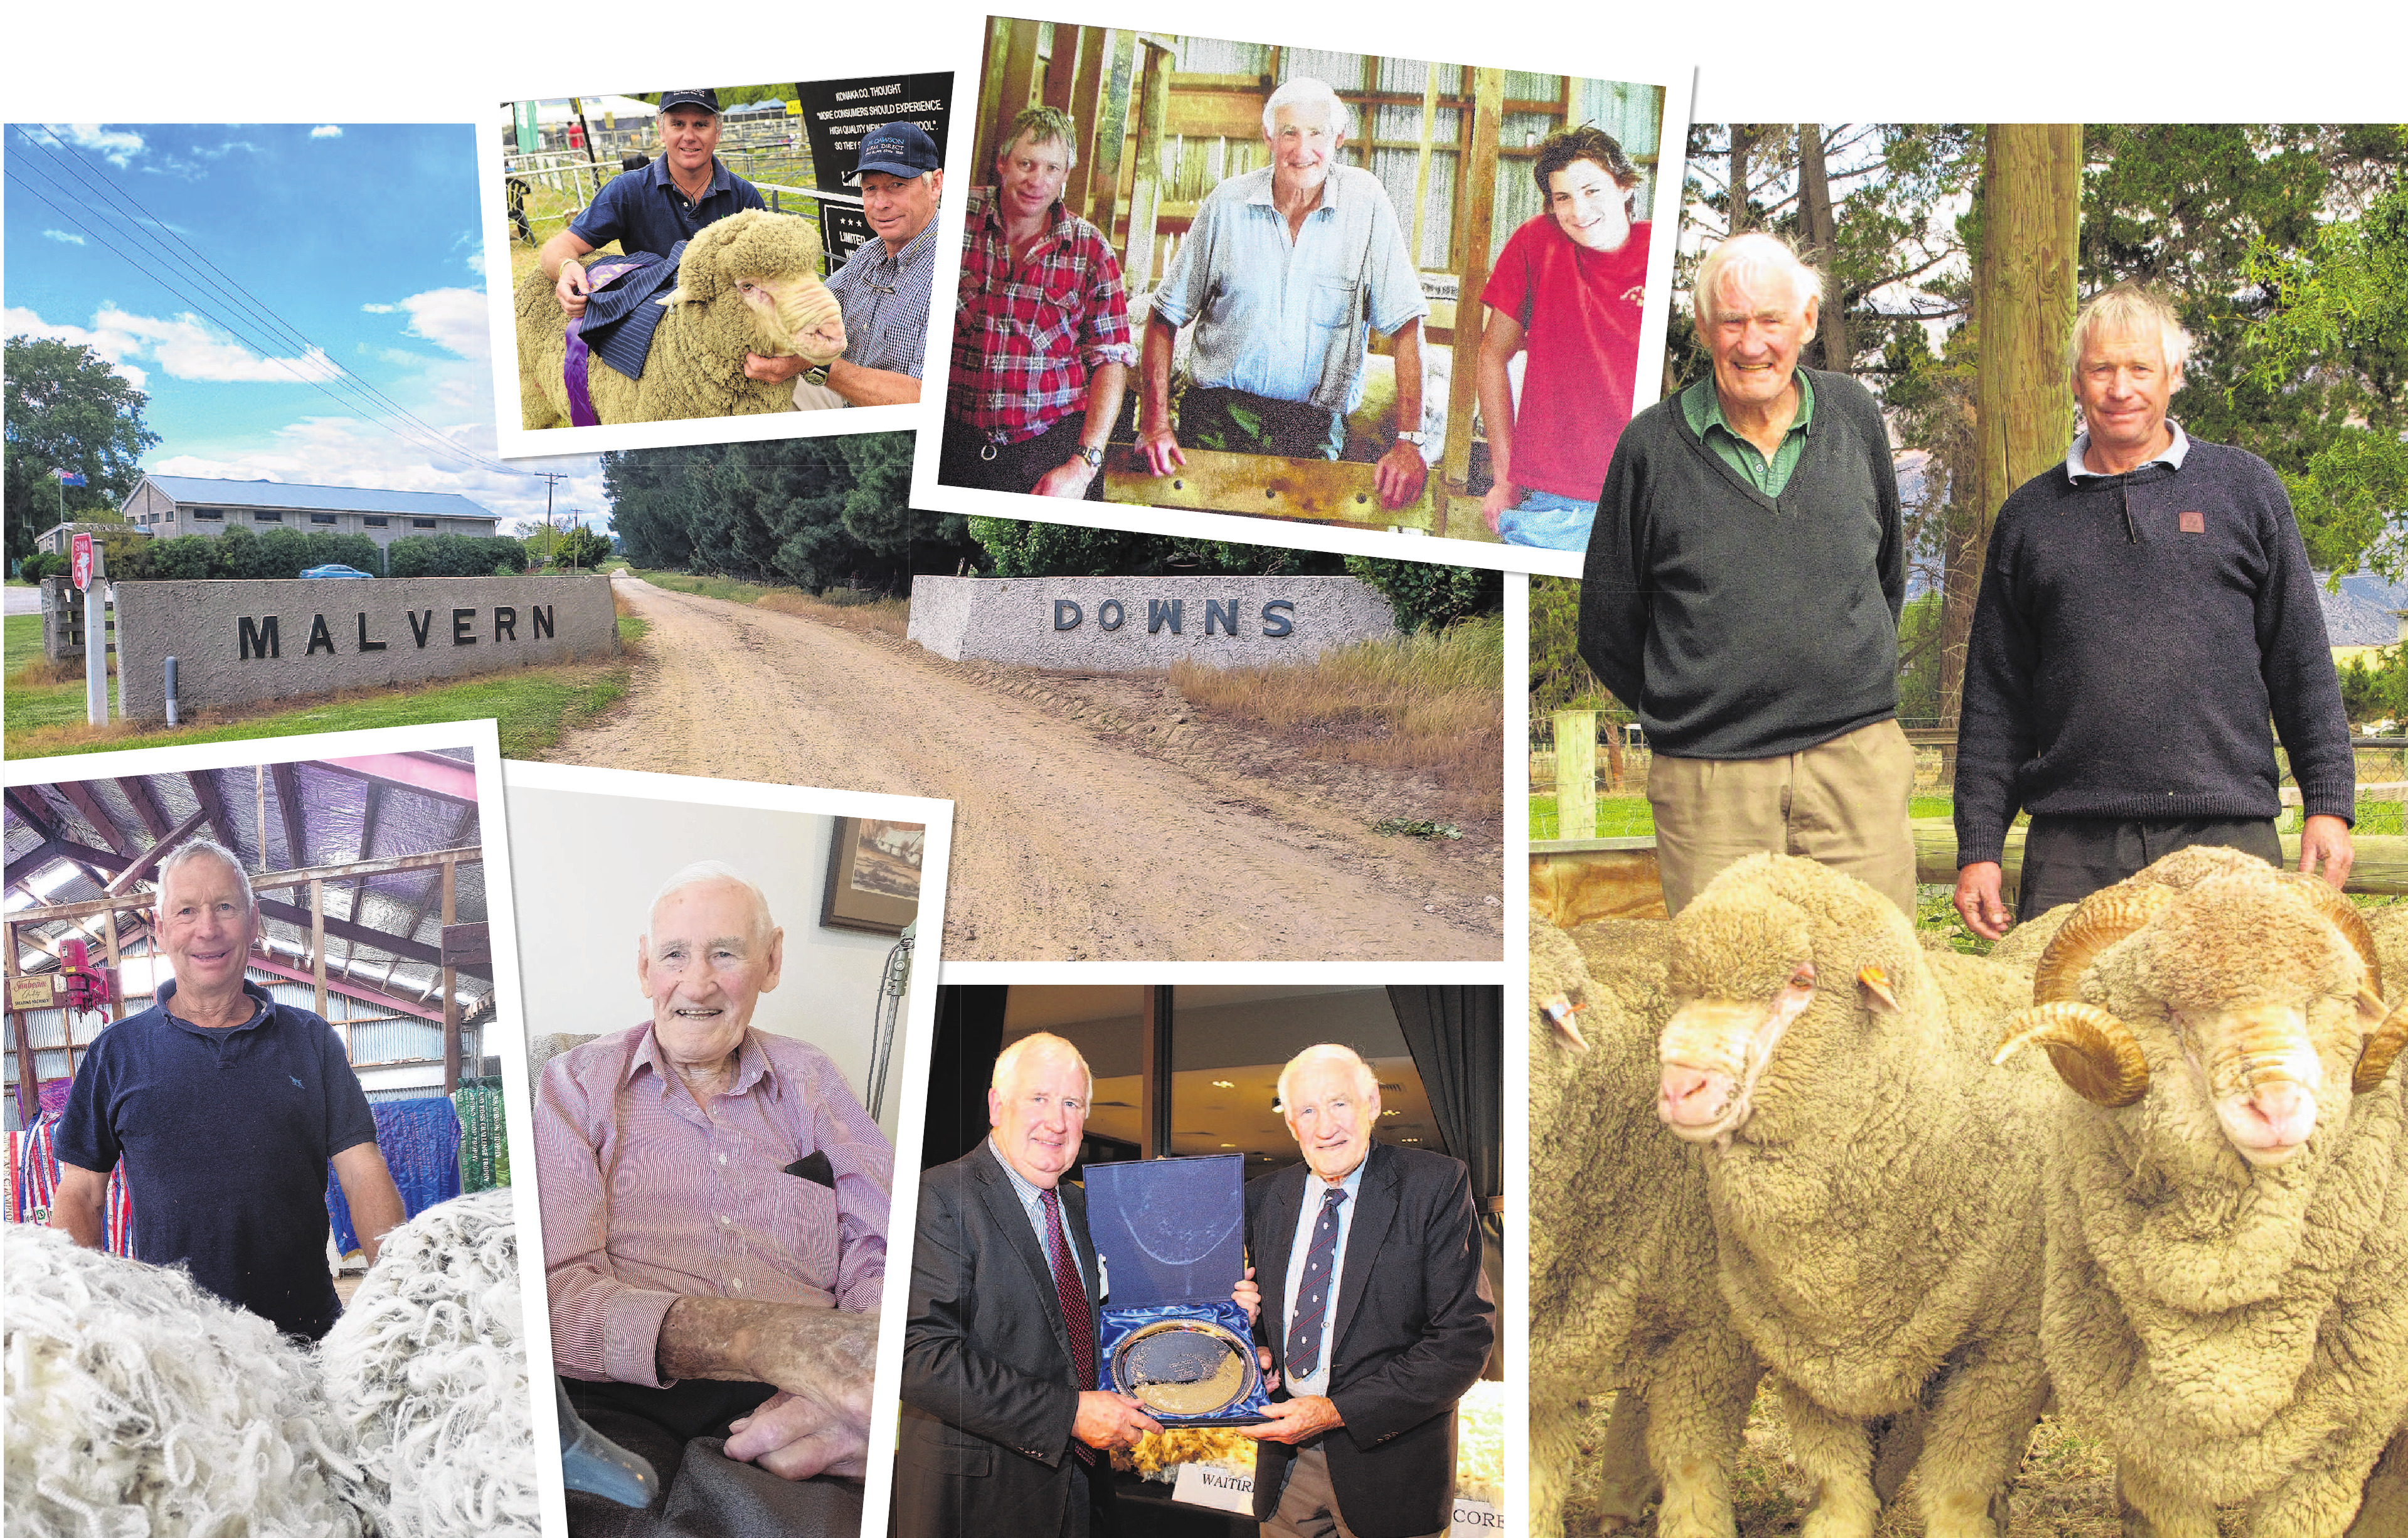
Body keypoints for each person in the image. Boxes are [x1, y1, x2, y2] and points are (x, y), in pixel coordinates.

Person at [1952, 284, 2355, 936]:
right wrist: (1977, 845)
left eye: (2139, 368)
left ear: (2172, 376)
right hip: (2070, 849)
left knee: (2233, 1031)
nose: (2120, 388)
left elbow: (2301, 663)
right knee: (2072, 1035)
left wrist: (2328, 804)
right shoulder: (2028, 518)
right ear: (2076, 383)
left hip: (2225, 837)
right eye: (2100, 369)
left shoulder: (2245, 490)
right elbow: (1995, 698)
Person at [536, 861, 891, 1538]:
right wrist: (760, 1336)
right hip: (612, 1402)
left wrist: (868, 1390)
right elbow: (553, 1295)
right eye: (674, 954)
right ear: (645, 967)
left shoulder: (812, 1080)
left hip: (802, 1399)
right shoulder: (574, 1084)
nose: (696, 983)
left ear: (771, 960)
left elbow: (888, 1247)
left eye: (724, 953)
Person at [1578, 230, 1913, 918]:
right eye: (1731, 321)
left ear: (1807, 321)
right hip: (1710, 788)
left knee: (1874, 991)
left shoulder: (1853, 417)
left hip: (1855, 767)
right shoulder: (1648, 449)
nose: (1752, 344)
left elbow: (1884, 577)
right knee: (1727, 995)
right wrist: (1698, 704)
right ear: (1702, 329)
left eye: (1770, 321)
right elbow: (1608, 623)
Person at [896, 1032, 1261, 1538]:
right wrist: (1067, 1413)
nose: (1057, 1120)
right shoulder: (937, 1198)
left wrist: (1222, 1331)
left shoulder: (1085, 1210)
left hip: (1084, 1494)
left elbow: (1120, 1337)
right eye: (1039, 1099)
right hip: (976, 1500)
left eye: (1071, 1103)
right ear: (997, 1105)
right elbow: (916, 1355)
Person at [53, 837, 406, 1340]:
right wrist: (70, 1319)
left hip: (309, 1339)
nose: (207, 929)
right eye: (187, 911)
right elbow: (82, 1192)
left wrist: (402, 1294)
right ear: (159, 929)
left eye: (225, 907)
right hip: (177, 1350)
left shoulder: (311, 1041)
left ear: (253, 920)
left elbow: (361, 1170)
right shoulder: (116, 1053)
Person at [1137, 78, 1431, 512]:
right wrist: (1154, 422)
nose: (1301, 149)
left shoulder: (1365, 203)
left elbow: (1406, 326)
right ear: (1268, 138)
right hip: (1217, 420)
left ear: (1339, 139)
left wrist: (1409, 441)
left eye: (1316, 133)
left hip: (1310, 431)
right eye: (1289, 132)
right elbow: (1163, 318)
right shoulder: (1226, 204)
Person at [1241, 1044, 1493, 1538]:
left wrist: (1335, 1412)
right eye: (1306, 1111)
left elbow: (1462, 1341)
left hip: (1389, 1472)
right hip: (1285, 1475)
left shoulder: (1434, 1185)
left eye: (1338, 1104)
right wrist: (1257, 1350)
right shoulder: (1264, 1198)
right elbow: (1264, 1325)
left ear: (1372, 1104)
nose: (1324, 1126)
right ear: (1291, 1124)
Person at [941, 107, 1134, 501]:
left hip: (1047, 451)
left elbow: (1111, 359)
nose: (1037, 181)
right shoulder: (952, 219)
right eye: (1026, 164)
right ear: (1002, 163)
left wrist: (1083, 465)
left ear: (1066, 175)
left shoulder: (1092, 251)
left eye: (1052, 169)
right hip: (952, 441)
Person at [1477, 125, 1652, 550]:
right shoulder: (1536, 242)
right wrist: (1504, 477)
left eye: (1592, 191)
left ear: (1625, 187)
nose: (1578, 210)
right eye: (1563, 198)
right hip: (1553, 504)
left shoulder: (1657, 252)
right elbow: (1490, 356)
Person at [539, 90, 768, 319]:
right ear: (661, 129)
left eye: (700, 125)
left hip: (722, 325)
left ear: (717, 132)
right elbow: (559, 246)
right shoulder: (628, 189)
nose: (689, 136)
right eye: (678, 124)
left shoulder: (744, 198)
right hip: (649, 327)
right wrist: (566, 267)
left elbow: (771, 275)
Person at [775, 122, 943, 410]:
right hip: (845, 395)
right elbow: (813, 304)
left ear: (935, 185)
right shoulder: (869, 254)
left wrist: (817, 364)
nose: (880, 203)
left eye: (897, 186)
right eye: (870, 188)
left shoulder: (950, 270)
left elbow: (925, 400)